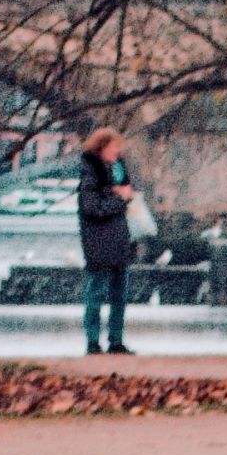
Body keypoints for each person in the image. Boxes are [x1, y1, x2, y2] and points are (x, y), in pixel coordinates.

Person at [77, 126, 137, 355]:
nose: (117, 151)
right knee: (96, 295)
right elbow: (92, 208)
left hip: (119, 243)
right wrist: (120, 200)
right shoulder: (90, 175)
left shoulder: (119, 172)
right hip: (99, 245)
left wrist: (123, 198)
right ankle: (93, 342)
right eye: (114, 147)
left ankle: (116, 340)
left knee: (119, 297)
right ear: (101, 149)